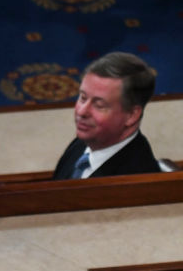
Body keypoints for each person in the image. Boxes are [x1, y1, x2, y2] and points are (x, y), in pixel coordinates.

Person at [53, 51, 160, 180]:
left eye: (99, 105)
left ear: (131, 115)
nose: (82, 112)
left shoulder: (135, 181)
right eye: (82, 98)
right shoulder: (84, 142)